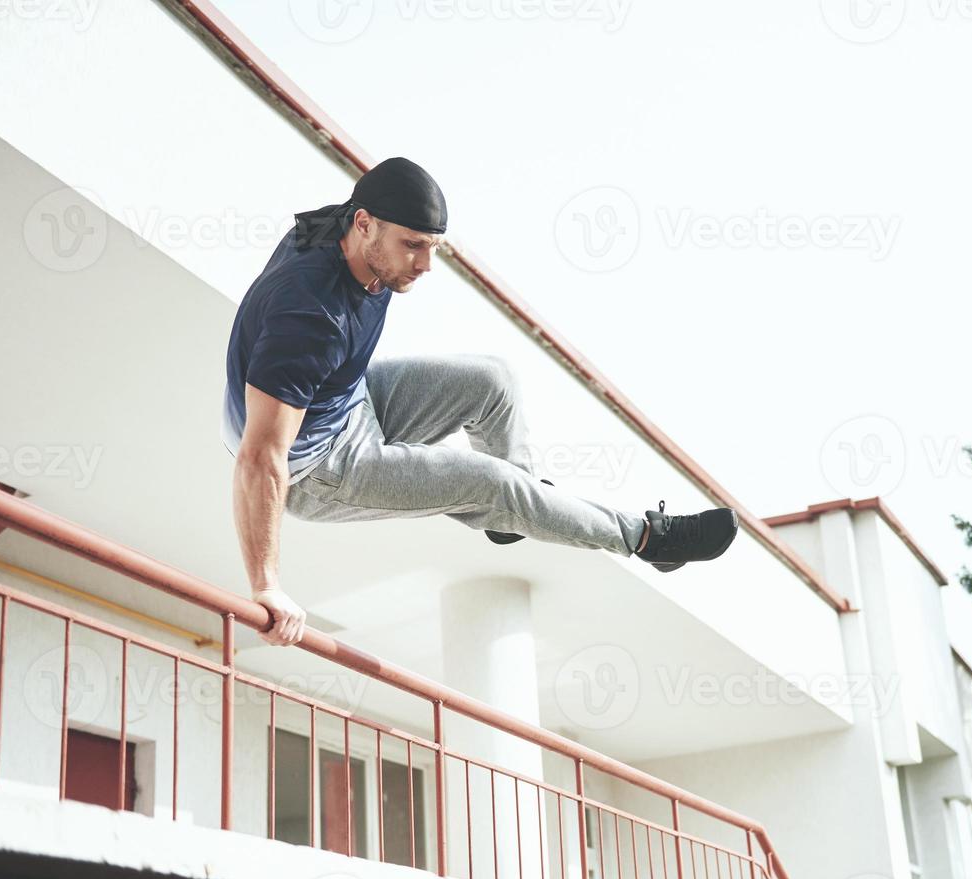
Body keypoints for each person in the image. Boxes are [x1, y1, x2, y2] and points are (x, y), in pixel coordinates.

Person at [222, 158, 738, 646]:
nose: (425, 264)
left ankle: (514, 510)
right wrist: (266, 584)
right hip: (317, 467)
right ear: (362, 225)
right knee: (493, 483)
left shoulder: (345, 227)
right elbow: (260, 457)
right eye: (413, 246)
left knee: (494, 381)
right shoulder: (310, 317)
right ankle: (648, 539)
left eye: (433, 247)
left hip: (346, 400)